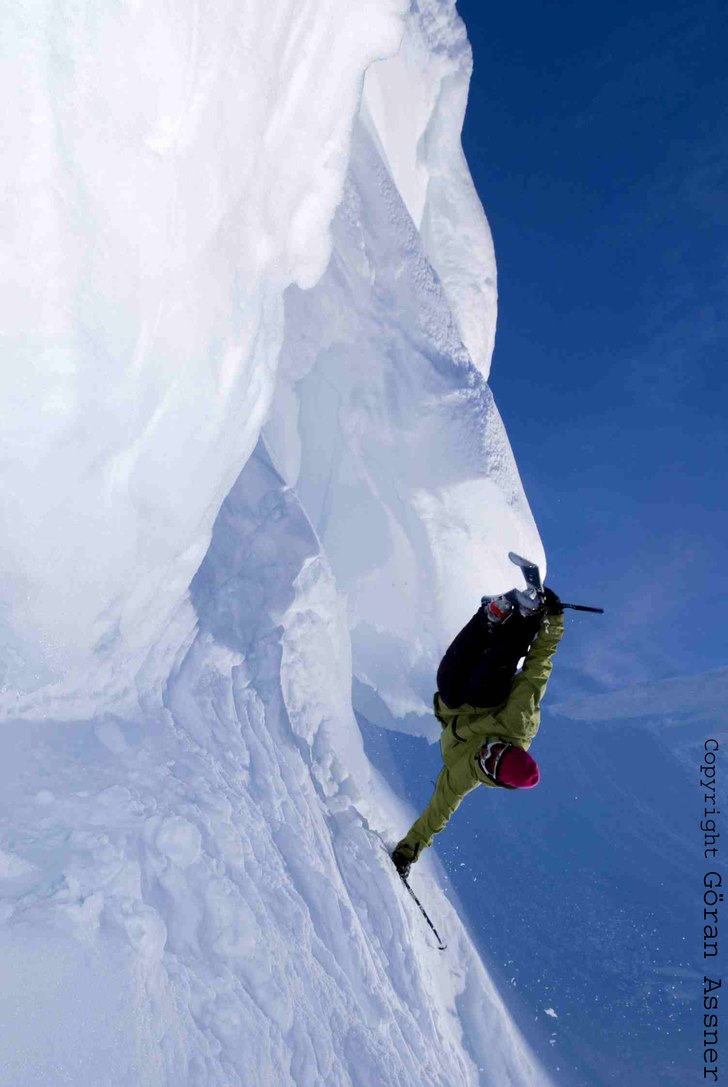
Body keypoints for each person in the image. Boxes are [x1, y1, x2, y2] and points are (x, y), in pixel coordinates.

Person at [391, 586, 564, 879]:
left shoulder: (465, 775)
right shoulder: (517, 722)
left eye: (489, 761)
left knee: (448, 680)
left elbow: (438, 814)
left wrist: (409, 850)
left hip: (453, 708)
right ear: (510, 746)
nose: (488, 752)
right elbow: (538, 671)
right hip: (488, 699)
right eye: (497, 749)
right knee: (485, 686)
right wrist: (552, 622)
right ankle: (525, 618)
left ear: (492, 775)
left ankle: (489, 620)